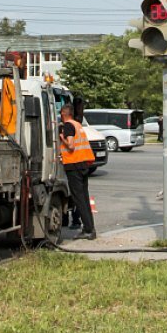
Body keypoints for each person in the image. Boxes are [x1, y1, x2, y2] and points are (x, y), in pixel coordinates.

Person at [58, 103, 96, 240]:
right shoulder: (77, 125)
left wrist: (61, 137)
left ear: (63, 113)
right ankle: (90, 228)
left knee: (79, 199)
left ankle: (88, 230)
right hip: (84, 165)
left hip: (74, 166)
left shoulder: (68, 126)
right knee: (84, 198)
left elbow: (71, 146)